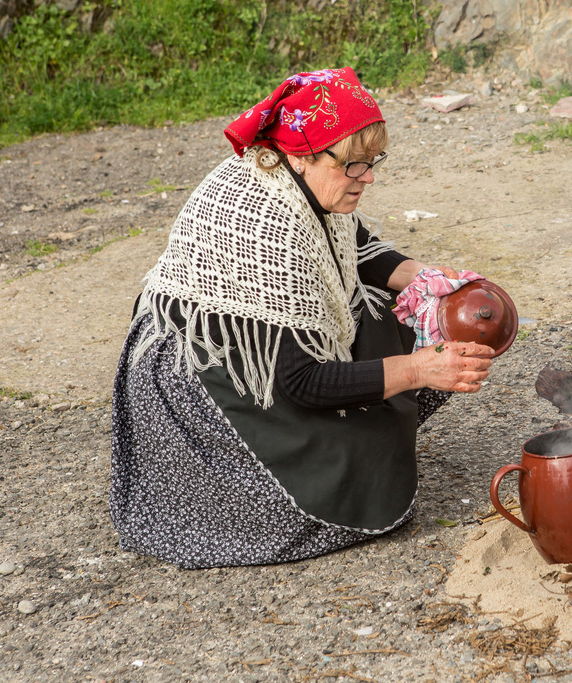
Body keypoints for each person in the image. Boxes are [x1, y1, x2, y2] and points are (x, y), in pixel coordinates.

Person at [110, 67, 494, 569]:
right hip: (208, 373)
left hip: (267, 349)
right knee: (361, 456)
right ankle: (256, 493)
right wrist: (420, 369)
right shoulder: (263, 224)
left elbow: (354, 245)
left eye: (373, 161)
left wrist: (428, 280)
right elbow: (302, 382)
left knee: (406, 318)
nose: (369, 176)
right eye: (354, 164)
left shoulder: (299, 183)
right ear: (298, 154)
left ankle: (370, 424)